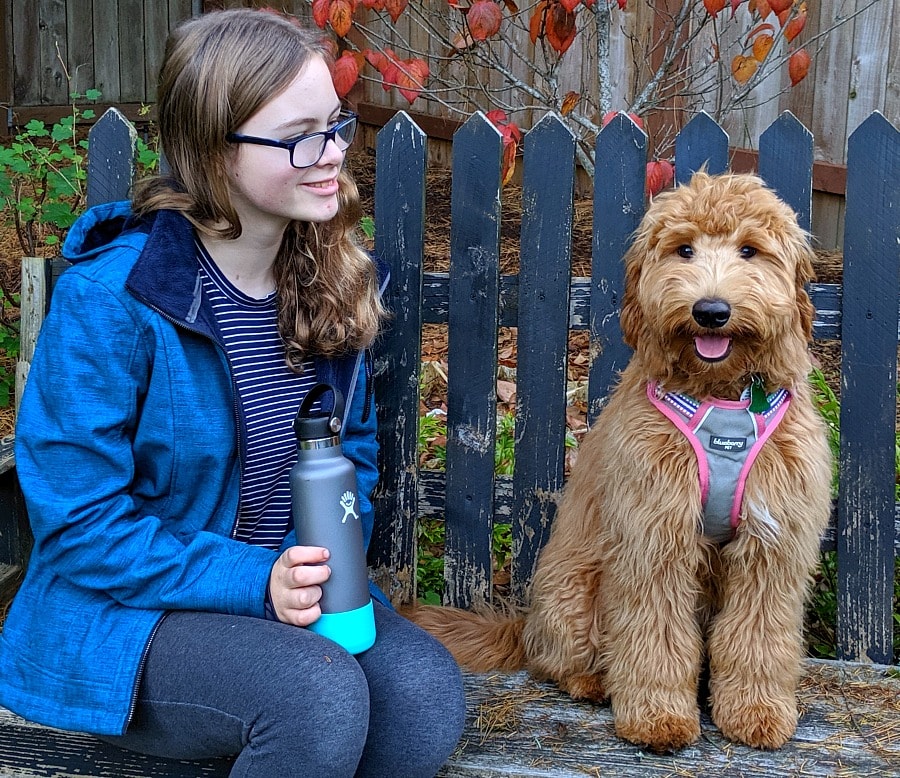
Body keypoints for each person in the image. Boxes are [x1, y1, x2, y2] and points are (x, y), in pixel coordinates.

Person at [0, 8, 465, 776]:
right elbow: (79, 522)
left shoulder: (332, 280)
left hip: (286, 597)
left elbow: (348, 457)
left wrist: (316, 572)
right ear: (214, 150)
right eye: (298, 136)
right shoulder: (112, 301)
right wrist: (256, 582)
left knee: (423, 697)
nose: (332, 157)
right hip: (130, 614)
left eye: (336, 126)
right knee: (312, 699)